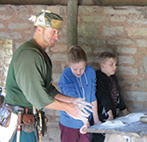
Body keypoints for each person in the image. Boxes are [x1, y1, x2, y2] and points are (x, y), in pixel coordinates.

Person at [4, 10, 91, 142]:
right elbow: (38, 97)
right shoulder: (29, 55)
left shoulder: (39, 54)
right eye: (53, 32)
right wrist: (68, 108)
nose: (57, 37)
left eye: (57, 32)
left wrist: (72, 100)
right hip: (19, 121)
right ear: (40, 29)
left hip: (29, 118)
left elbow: (47, 89)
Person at [58, 45, 101, 142]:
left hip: (86, 123)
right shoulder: (66, 75)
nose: (79, 72)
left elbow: (92, 97)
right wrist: (85, 121)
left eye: (82, 68)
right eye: (75, 69)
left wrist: (96, 120)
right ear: (69, 65)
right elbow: (74, 102)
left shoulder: (90, 72)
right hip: (69, 123)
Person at [91, 51, 130, 142]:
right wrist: (110, 113)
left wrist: (125, 111)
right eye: (111, 64)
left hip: (112, 117)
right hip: (103, 117)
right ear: (102, 65)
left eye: (115, 64)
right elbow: (103, 96)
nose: (115, 67)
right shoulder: (99, 78)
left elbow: (118, 95)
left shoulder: (113, 78)